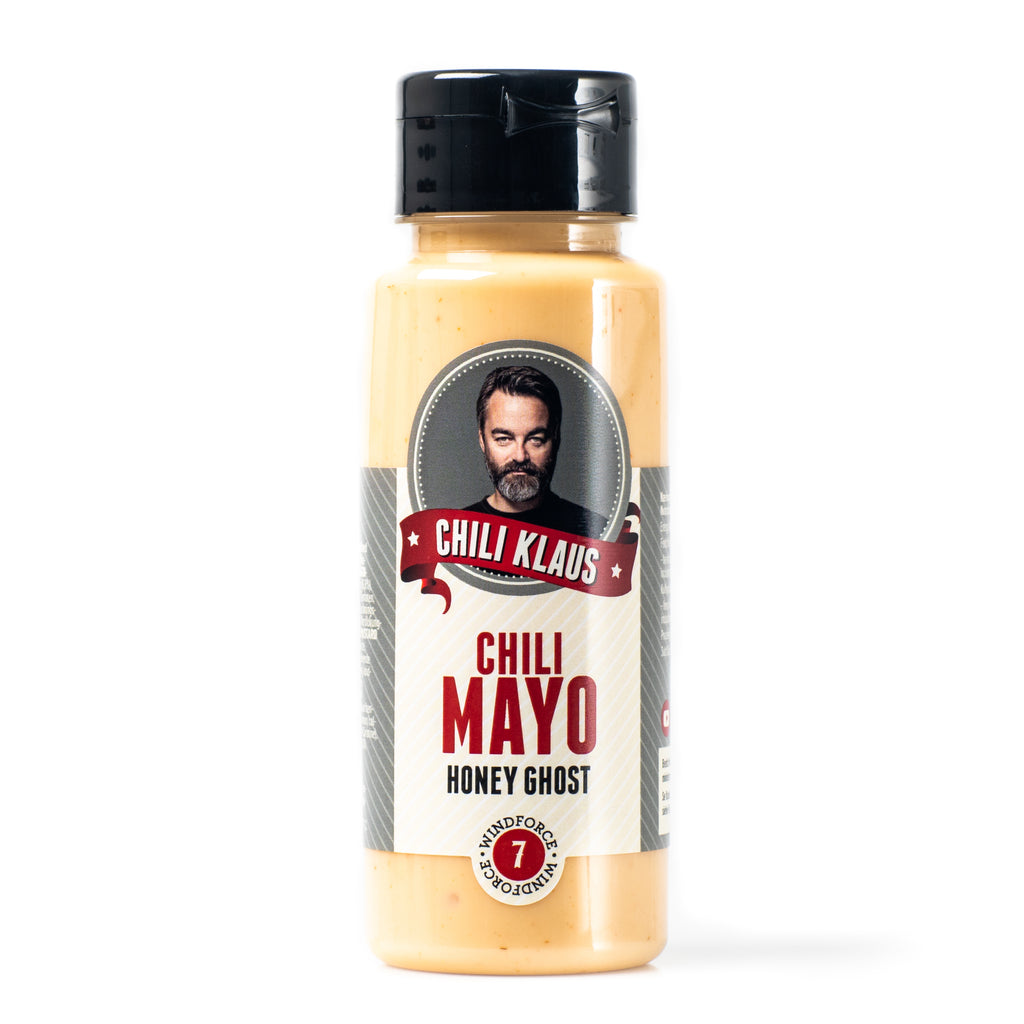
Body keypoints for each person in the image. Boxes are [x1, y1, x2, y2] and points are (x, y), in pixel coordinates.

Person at [463, 365, 609, 539]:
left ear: (555, 438)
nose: (520, 456)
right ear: (482, 439)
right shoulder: (455, 533)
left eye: (535, 440)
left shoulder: (596, 532)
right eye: (504, 439)